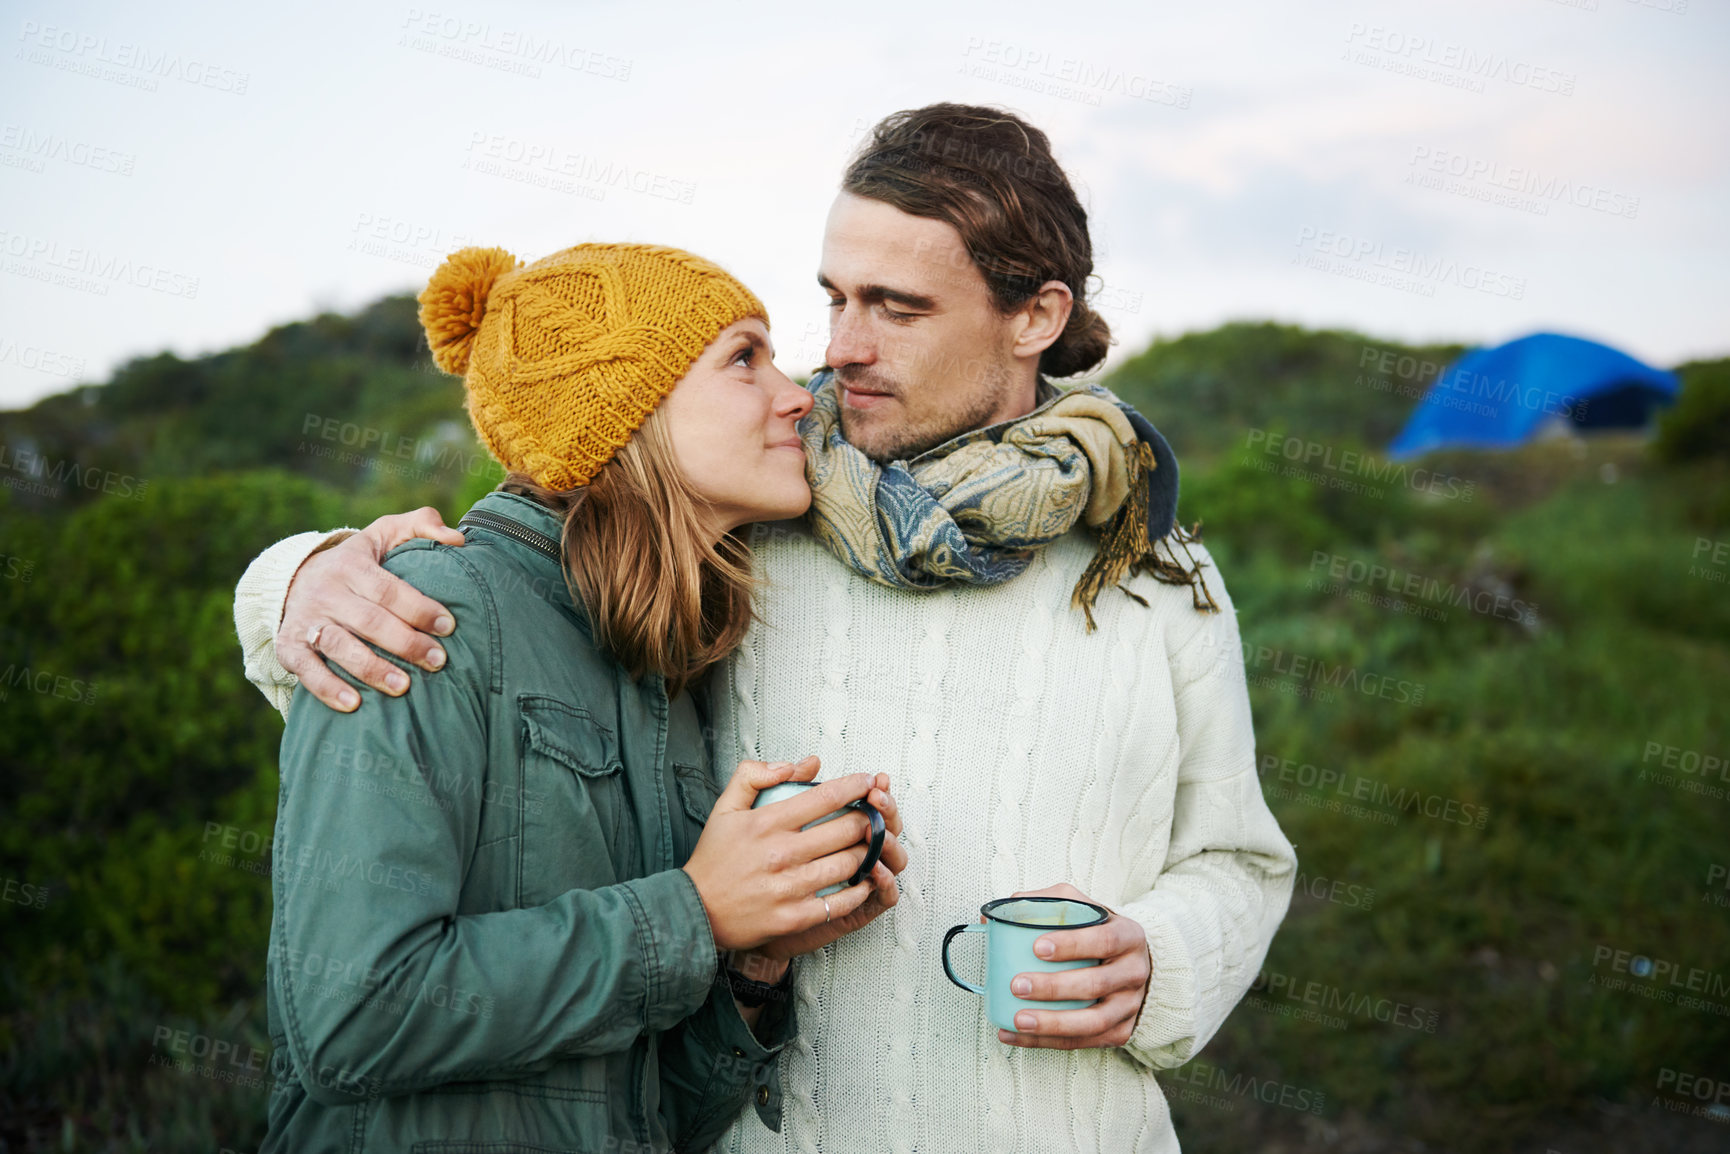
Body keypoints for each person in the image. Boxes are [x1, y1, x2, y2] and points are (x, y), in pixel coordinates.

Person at [236, 105, 1298, 1153]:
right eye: (832, 298)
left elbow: (1237, 859)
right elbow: (535, 548)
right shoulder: (759, 536)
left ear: (1033, 316)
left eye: (896, 305)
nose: (836, 351)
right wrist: (296, 575)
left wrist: (1159, 956)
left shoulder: (1157, 572)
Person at [252, 241, 907, 1151]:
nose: (797, 393)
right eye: (743, 359)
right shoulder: (425, 613)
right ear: (623, 414)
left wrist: (753, 960)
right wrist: (695, 911)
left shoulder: (659, 662)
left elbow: (644, 1113)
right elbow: (351, 1014)